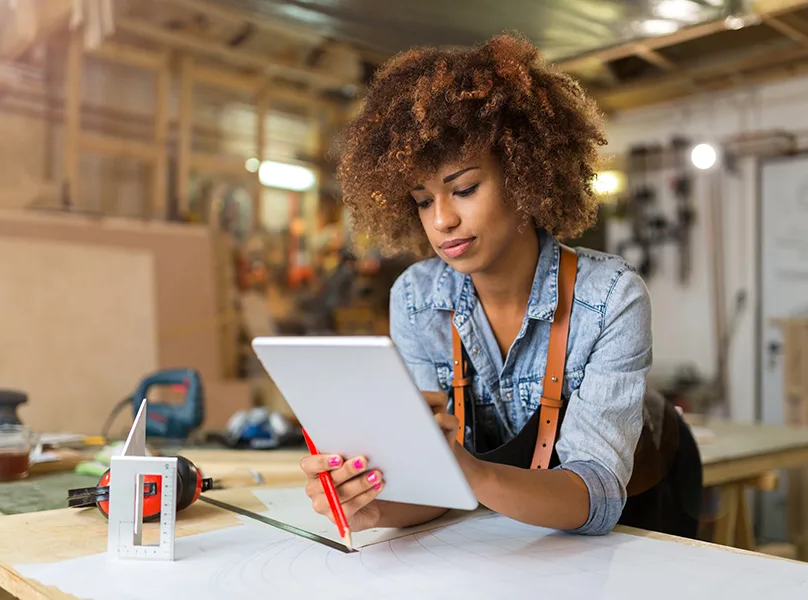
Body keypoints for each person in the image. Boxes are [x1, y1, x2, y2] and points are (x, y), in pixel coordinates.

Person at [300, 33, 702, 538]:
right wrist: (371, 505)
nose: (442, 219)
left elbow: (598, 498)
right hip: (515, 518)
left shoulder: (609, 299)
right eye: (423, 200)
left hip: (646, 497)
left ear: (523, 177)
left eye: (464, 189)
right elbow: (436, 489)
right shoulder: (417, 298)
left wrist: (468, 472)